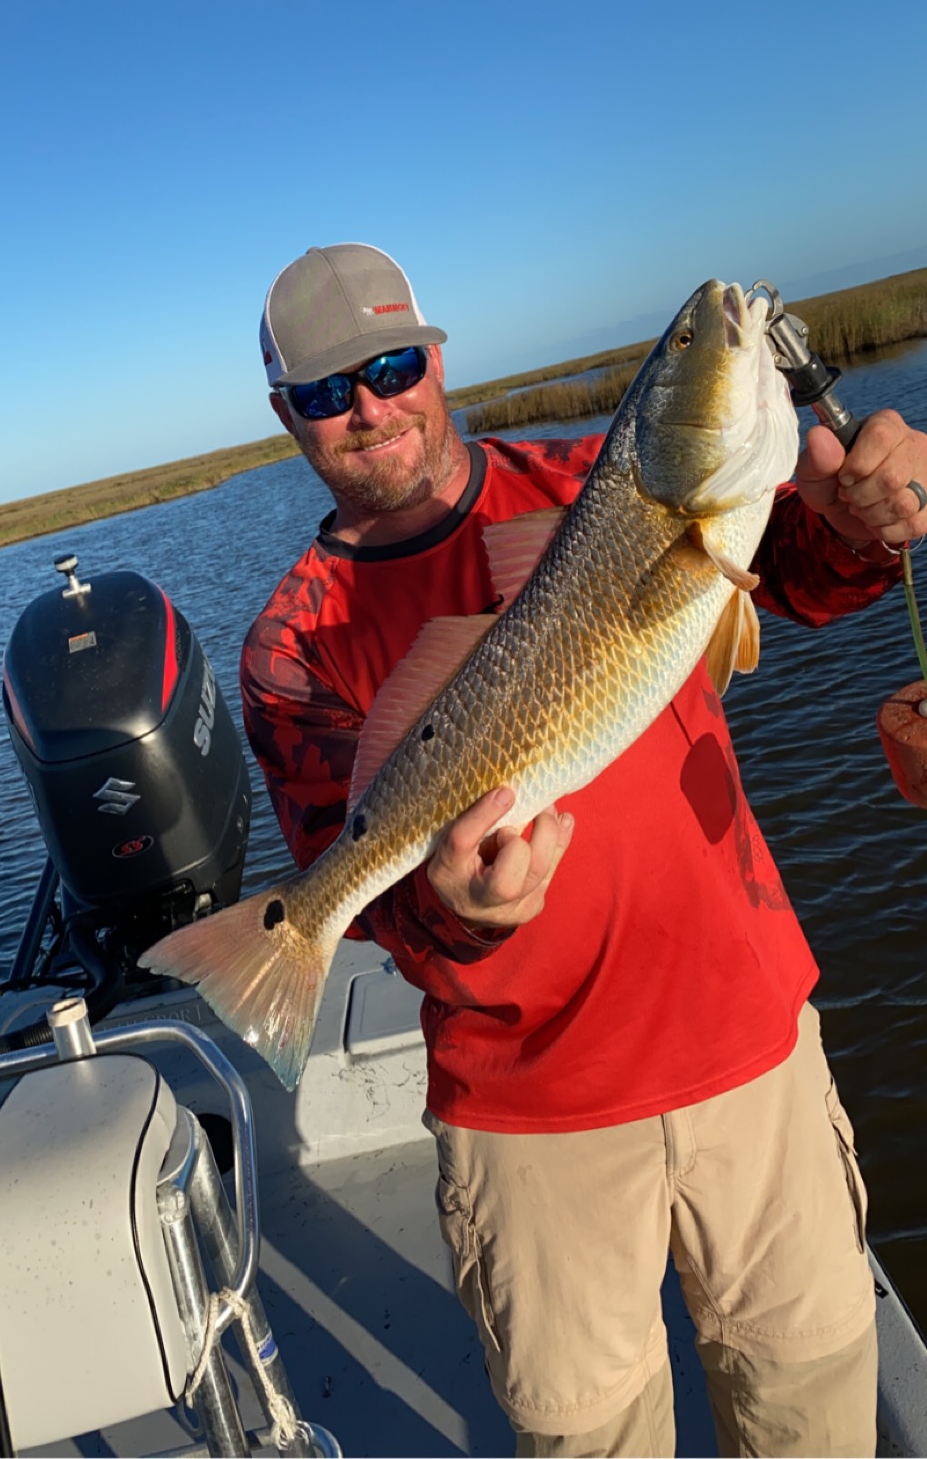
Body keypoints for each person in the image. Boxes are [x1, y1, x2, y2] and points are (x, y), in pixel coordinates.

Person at [241, 242, 927, 1459]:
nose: (371, 407)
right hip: (530, 1120)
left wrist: (870, 521)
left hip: (751, 1050)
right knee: (592, 1440)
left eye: (392, 367)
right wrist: (458, 911)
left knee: (816, 1411)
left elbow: (797, 571)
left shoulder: (588, 480)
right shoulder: (290, 646)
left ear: (436, 361)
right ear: (289, 412)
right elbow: (381, 896)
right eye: (328, 390)